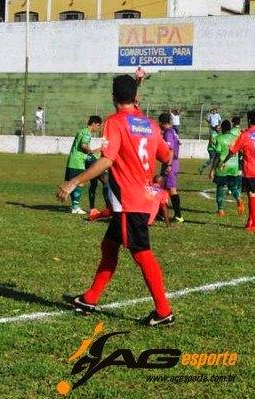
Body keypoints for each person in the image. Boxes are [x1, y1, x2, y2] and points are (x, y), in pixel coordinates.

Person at [58, 75, 174, 327]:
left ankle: (163, 311)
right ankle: (89, 298)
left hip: (129, 202)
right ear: (136, 98)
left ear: (112, 99)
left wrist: (74, 181)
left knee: (141, 253)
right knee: (109, 246)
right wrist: (162, 172)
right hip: (142, 197)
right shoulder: (151, 125)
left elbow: (107, 160)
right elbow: (167, 154)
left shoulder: (115, 122)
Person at [220, 110, 255, 233]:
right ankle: (250, 221)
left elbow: (233, 150)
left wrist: (224, 161)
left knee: (252, 194)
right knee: (251, 194)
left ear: (249, 120)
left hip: (250, 169)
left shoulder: (245, 135)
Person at [64, 115, 103, 215]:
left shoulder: (82, 131)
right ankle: (75, 208)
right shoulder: (87, 132)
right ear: (94, 123)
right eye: (98, 126)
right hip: (78, 161)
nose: (98, 128)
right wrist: (92, 151)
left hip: (72, 160)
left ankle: (74, 206)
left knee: (73, 183)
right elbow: (83, 145)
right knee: (79, 183)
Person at [209, 120, 243, 217]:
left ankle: (221, 211)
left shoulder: (220, 139)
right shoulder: (236, 138)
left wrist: (212, 169)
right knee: (232, 186)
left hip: (222, 167)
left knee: (220, 187)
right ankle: (238, 198)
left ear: (223, 128)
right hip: (234, 166)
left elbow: (218, 155)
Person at [158, 113, 183, 222]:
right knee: (163, 188)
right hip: (174, 162)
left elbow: (170, 149)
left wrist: (168, 164)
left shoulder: (168, 132)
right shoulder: (173, 131)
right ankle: (161, 213)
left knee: (172, 189)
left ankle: (178, 215)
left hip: (171, 163)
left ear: (161, 123)